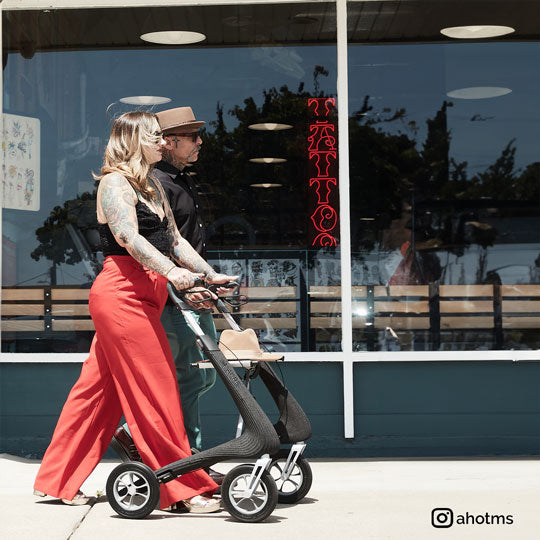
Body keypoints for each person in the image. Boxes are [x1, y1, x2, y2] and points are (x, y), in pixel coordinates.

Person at [33, 111, 236, 512]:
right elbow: (127, 236)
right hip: (121, 295)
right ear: (133, 140)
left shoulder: (151, 187)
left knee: (96, 394)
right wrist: (172, 272)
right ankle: (181, 487)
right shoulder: (114, 183)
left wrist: (211, 276)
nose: (164, 142)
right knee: (156, 389)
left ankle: (54, 481)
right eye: (155, 136)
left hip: (148, 293)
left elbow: (175, 241)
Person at [112, 107, 224, 483]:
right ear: (171, 142)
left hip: (185, 286)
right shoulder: (140, 182)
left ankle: (174, 450)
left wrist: (207, 276)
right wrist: (181, 278)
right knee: (187, 376)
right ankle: (187, 457)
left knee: (199, 375)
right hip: (166, 290)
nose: (200, 143)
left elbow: (177, 240)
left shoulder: (165, 182)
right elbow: (136, 239)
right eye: (193, 137)